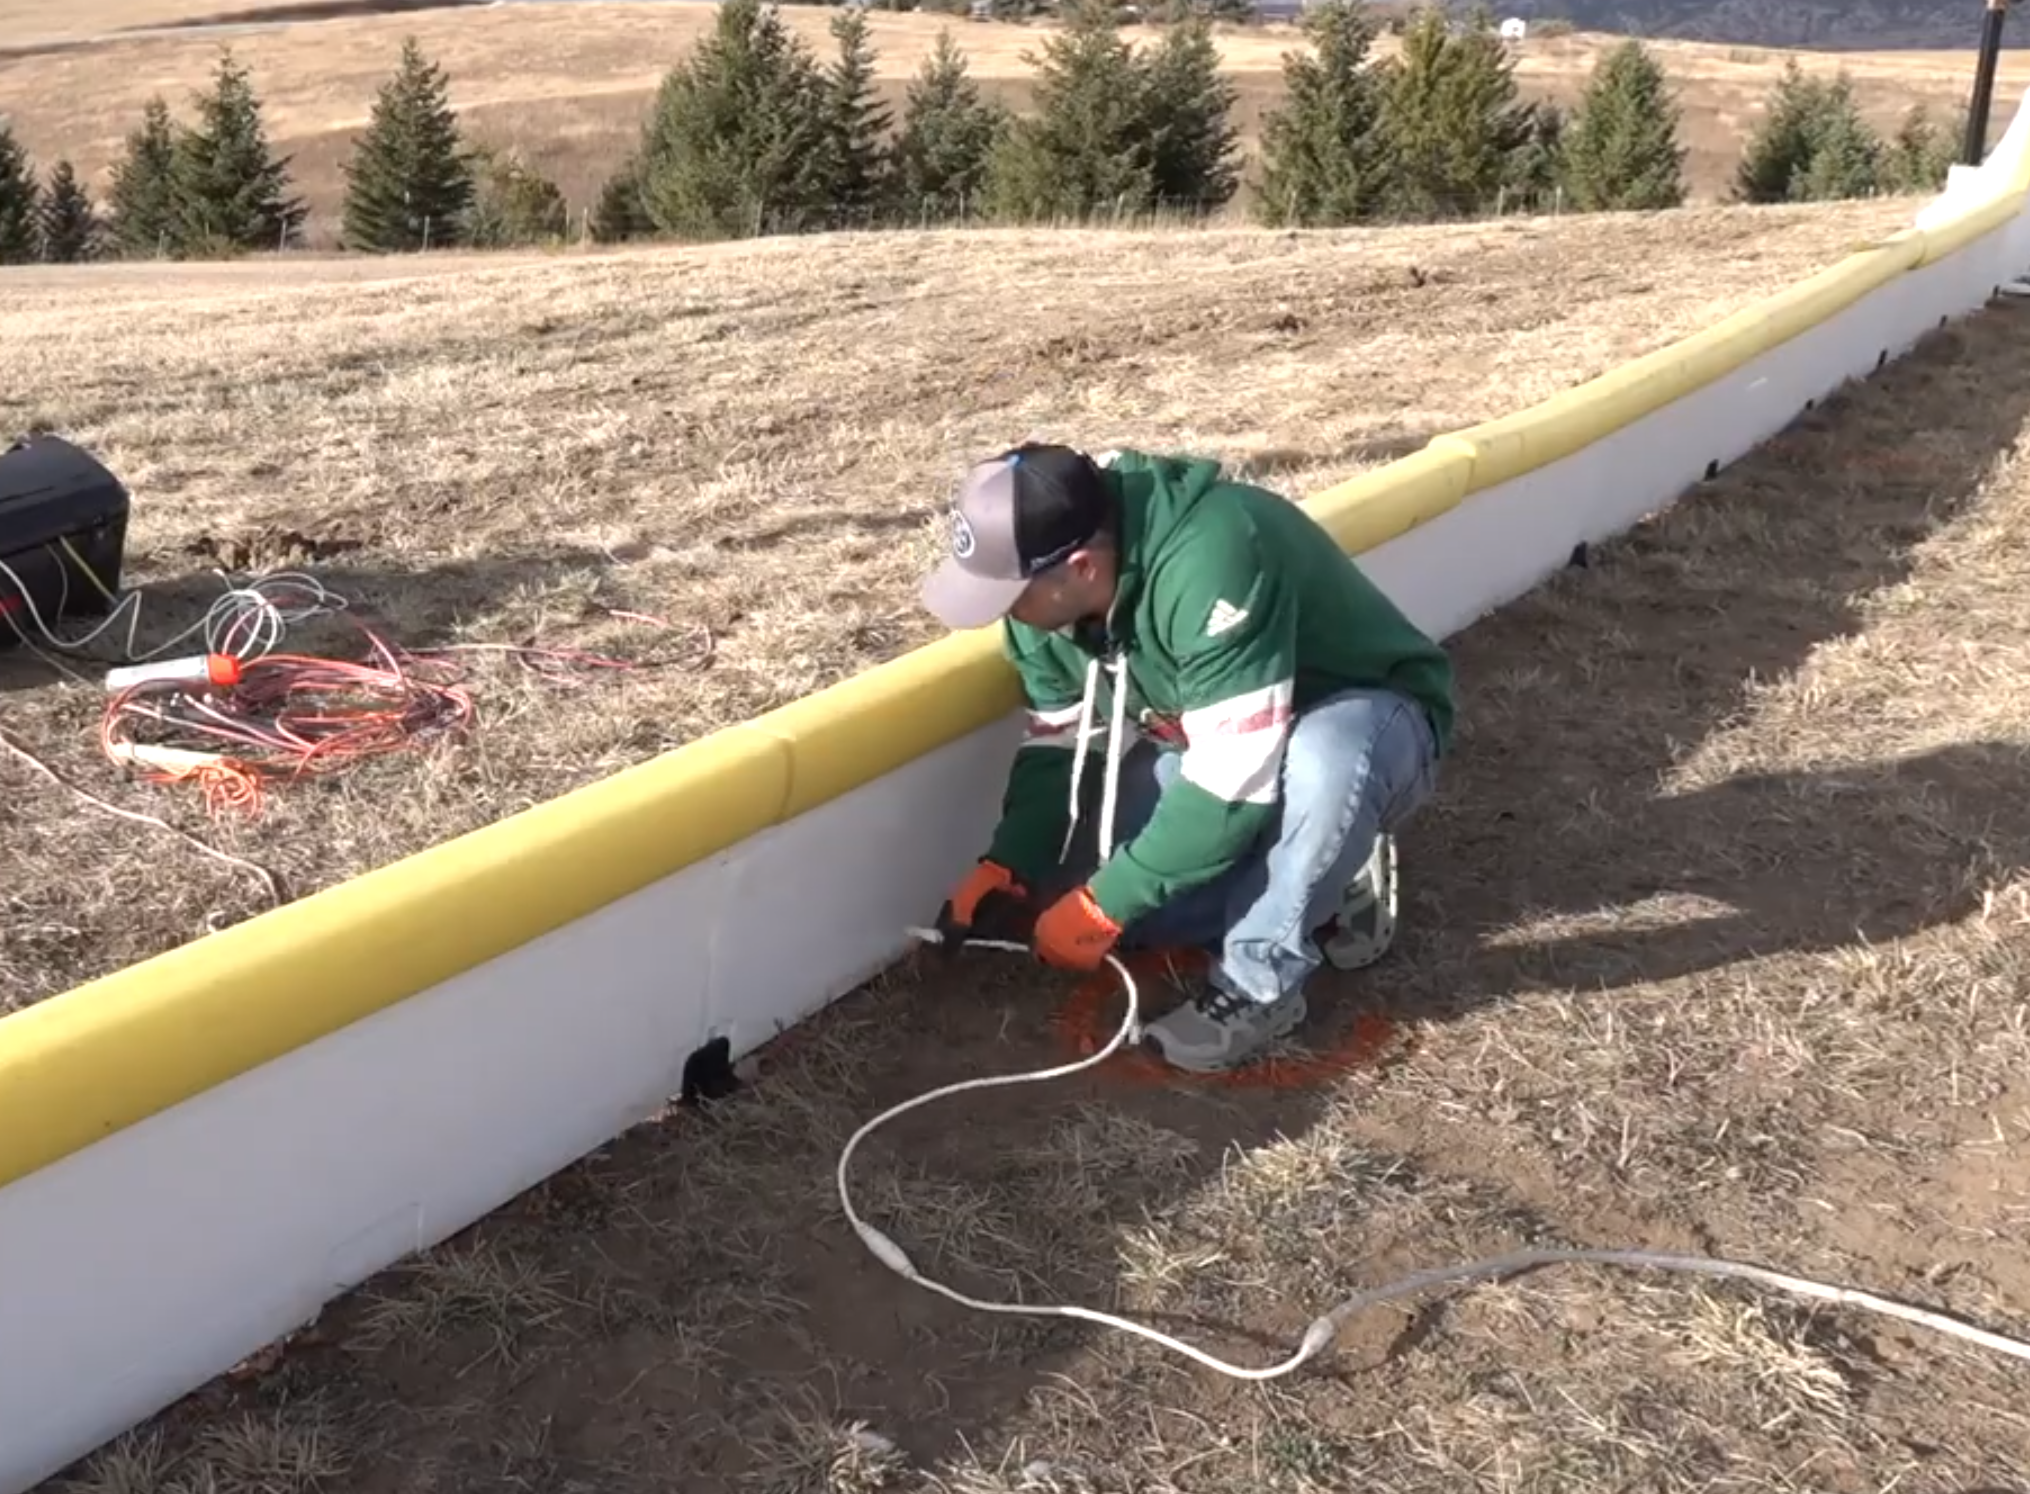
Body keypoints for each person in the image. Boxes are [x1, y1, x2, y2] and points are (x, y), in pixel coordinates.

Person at [918, 442, 1456, 1074]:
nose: (1000, 615)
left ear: (1083, 569)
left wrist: (1104, 903)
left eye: (1009, 596)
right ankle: (1328, 875)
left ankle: (1261, 983)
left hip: (1367, 720)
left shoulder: (1215, 556)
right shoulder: (1041, 607)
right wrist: (1010, 862)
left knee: (1320, 762)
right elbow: (1064, 741)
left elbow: (1227, 787)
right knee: (1131, 911)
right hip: (1219, 741)